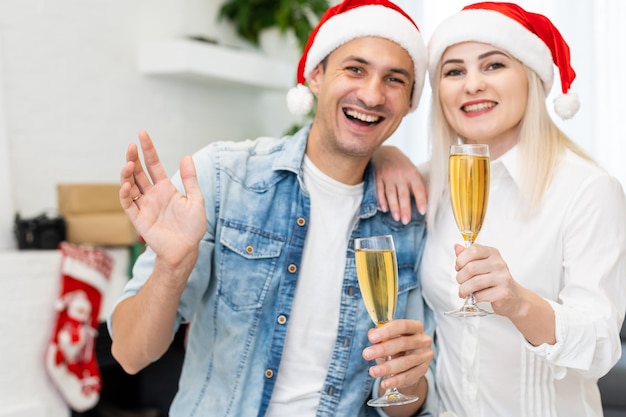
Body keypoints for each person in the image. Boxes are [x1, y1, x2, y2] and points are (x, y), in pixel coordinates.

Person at [107, 0, 438, 416]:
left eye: (394, 79)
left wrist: (408, 379)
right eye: (355, 69)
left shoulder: (410, 217)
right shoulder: (223, 178)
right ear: (315, 75)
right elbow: (130, 354)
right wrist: (172, 268)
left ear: (409, 102)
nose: (372, 94)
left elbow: (407, 406)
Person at [374, 2, 626, 417]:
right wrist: (381, 154)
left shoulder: (588, 190)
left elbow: (601, 347)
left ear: (530, 77)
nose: (472, 84)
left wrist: (518, 304)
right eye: (454, 71)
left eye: (493, 65)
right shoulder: (422, 187)